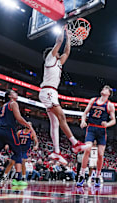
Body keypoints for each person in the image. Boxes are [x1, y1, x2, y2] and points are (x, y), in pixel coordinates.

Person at [39, 26, 88, 165]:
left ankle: (56, 152)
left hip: (52, 92)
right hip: (48, 91)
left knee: (55, 124)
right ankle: (74, 143)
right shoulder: (49, 59)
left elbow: (67, 51)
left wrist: (69, 38)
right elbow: (59, 41)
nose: (59, 53)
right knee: (62, 117)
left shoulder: (58, 64)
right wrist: (63, 28)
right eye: (56, 51)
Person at [77, 85, 116, 187]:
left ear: (109, 93)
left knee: (100, 154)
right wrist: (82, 121)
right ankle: (81, 175)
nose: (103, 90)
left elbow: (114, 120)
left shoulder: (109, 105)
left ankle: (98, 176)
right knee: (87, 149)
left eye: (106, 89)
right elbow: (84, 113)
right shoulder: (93, 100)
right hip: (91, 128)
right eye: (102, 88)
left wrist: (107, 124)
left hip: (101, 130)